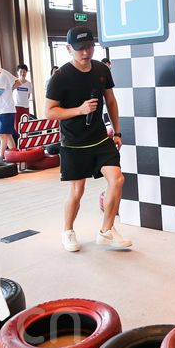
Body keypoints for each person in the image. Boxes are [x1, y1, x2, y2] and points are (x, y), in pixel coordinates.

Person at [45, 26, 130, 252]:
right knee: (77, 191)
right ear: (68, 49)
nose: (85, 52)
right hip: (73, 142)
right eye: (80, 48)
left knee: (117, 179)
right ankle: (68, 231)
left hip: (100, 138)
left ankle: (106, 231)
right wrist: (79, 110)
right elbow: (49, 112)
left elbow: (110, 101)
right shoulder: (60, 77)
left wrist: (117, 132)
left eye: (90, 47)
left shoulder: (101, 69)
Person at [13, 63, 33, 130]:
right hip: (16, 107)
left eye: (24, 71)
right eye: (21, 71)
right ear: (17, 72)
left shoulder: (29, 84)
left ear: (26, 72)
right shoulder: (14, 82)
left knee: (25, 126)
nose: (22, 73)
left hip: (25, 107)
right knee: (17, 126)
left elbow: (28, 96)